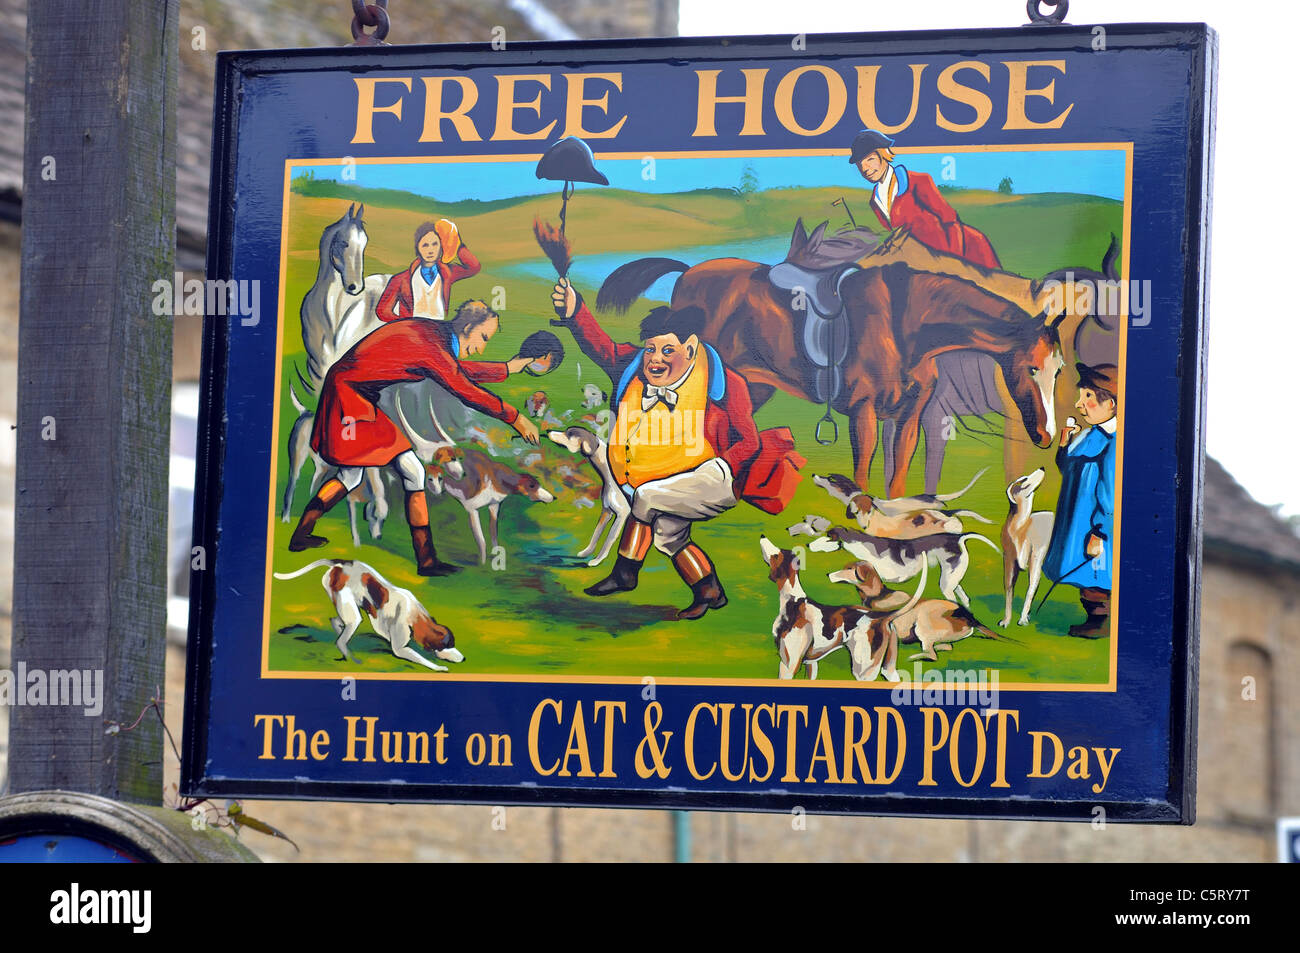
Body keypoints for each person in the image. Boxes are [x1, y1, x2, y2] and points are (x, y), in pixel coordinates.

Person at [551, 278, 804, 620]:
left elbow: (750, 440)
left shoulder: (724, 382)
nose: (655, 360)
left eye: (667, 350)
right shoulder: (633, 368)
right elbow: (603, 348)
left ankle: (625, 573)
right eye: (651, 349)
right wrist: (574, 310)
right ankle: (710, 592)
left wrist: (720, 467)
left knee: (647, 499)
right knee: (668, 539)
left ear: (691, 347)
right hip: (667, 481)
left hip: (714, 477)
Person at [288, 300, 541, 575]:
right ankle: (426, 560)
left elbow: (455, 372)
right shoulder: (433, 346)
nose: (481, 347)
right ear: (468, 327)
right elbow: (463, 385)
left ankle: (302, 533)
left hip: (353, 394)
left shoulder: (435, 337)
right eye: (483, 338)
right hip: (349, 398)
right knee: (409, 471)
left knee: (353, 477)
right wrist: (515, 417)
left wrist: (506, 369)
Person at [849, 128, 1001, 269]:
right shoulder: (875, 201)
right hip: (913, 260)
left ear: (883, 154)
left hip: (949, 253)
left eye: (870, 159)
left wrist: (954, 263)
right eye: (859, 165)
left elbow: (949, 220)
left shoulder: (918, 181)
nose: (865, 169)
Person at [1042, 363, 1118, 638]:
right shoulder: (1090, 435)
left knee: (1094, 572)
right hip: (1075, 518)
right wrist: (1064, 445)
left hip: (1093, 524)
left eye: (1088, 396)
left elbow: (1110, 494)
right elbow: (1069, 470)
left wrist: (1099, 531)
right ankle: (1093, 619)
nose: (1080, 403)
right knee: (1079, 568)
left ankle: (1100, 621)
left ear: (1109, 403)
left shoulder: (1114, 443)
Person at [376, 219, 480, 322]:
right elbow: (382, 311)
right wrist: (406, 324)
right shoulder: (401, 279)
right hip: (412, 333)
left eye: (435, 244)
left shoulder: (447, 273)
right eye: (425, 245)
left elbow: (473, 267)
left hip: (439, 331)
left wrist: (456, 244)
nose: (430, 250)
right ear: (418, 248)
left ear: (441, 246)